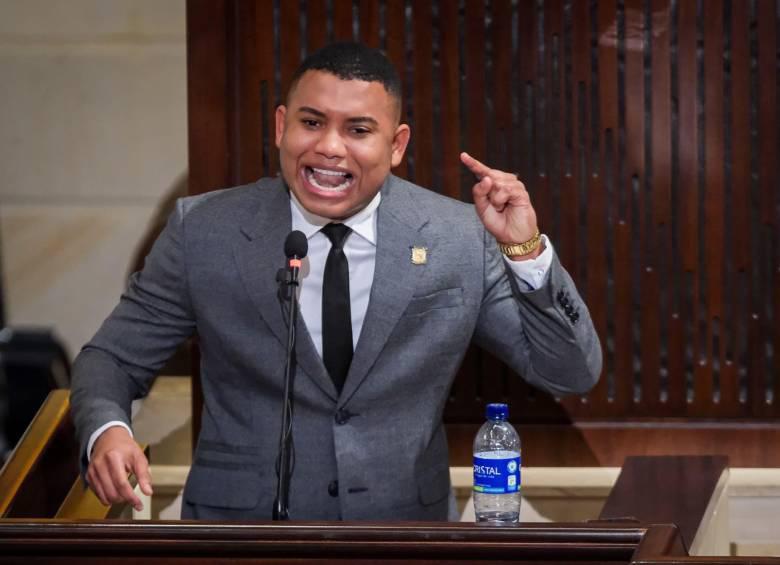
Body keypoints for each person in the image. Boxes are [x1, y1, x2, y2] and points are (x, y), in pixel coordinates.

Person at [70, 42, 601, 521]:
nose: (329, 147)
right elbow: (111, 359)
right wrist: (108, 431)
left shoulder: (458, 236)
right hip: (239, 536)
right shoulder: (204, 231)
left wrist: (525, 250)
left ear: (396, 145)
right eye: (311, 122)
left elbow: (570, 371)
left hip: (402, 536)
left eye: (358, 130)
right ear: (281, 126)